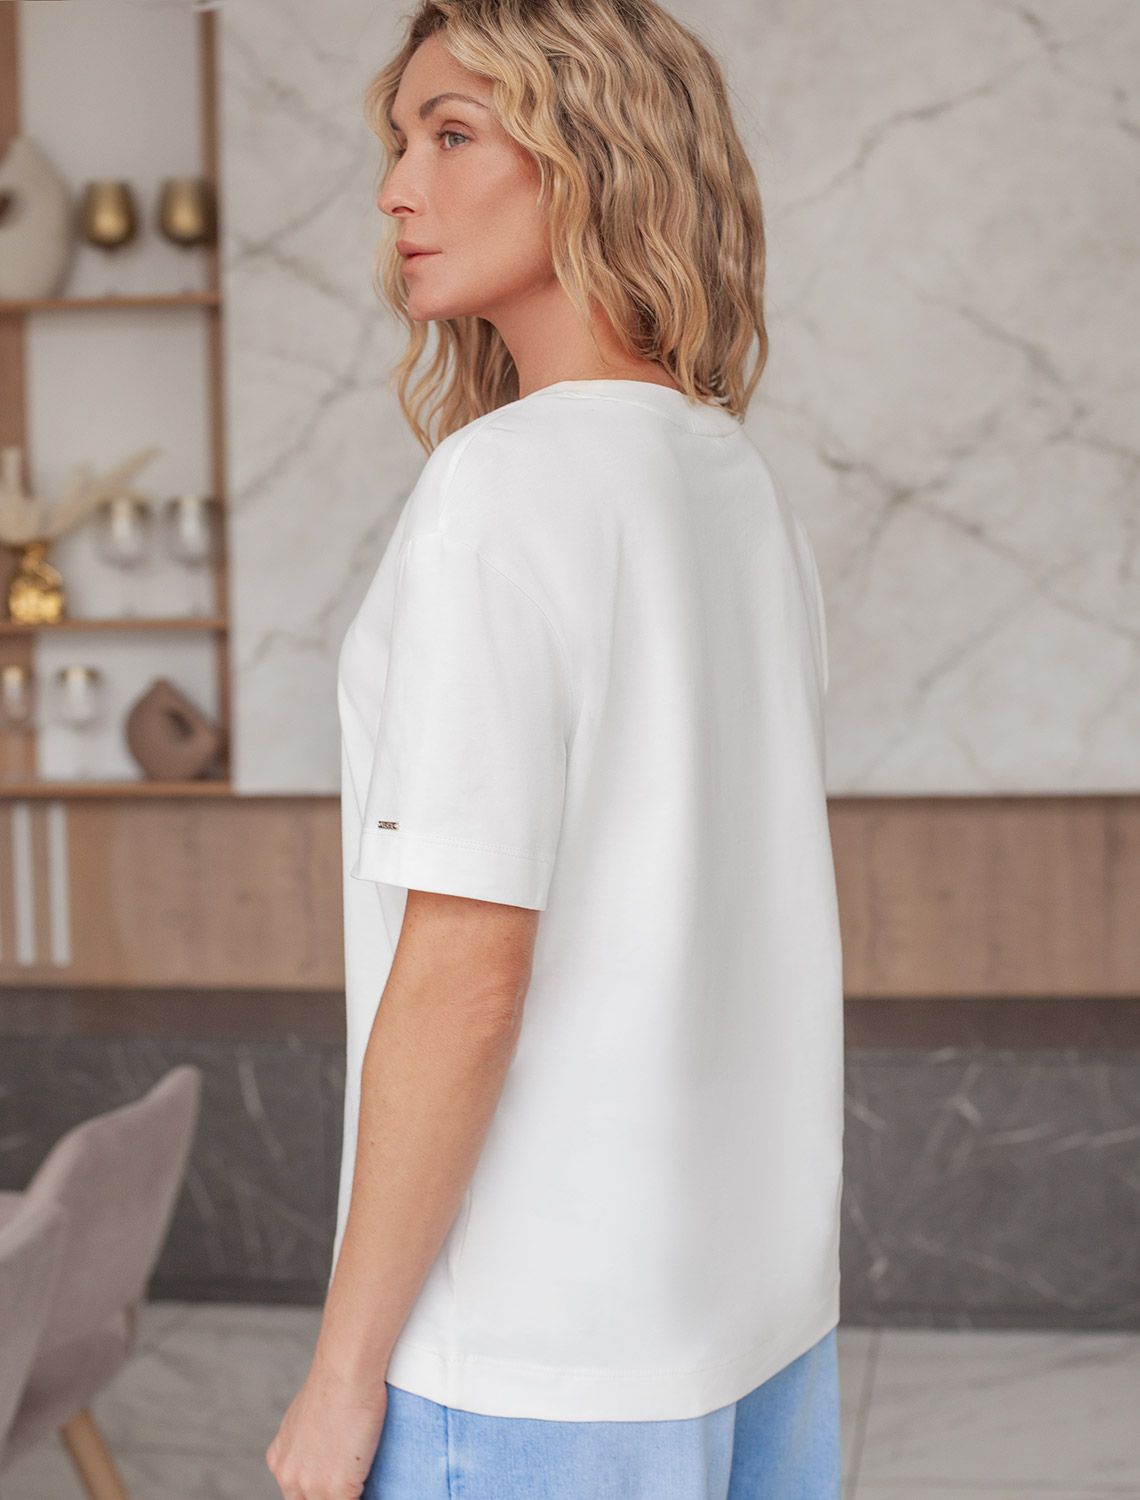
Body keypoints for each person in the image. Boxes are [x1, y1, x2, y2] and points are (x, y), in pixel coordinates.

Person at [266, 0, 844, 1495]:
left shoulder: (502, 490)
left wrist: (341, 1377)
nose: (396, 189)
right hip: (753, 1329)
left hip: (532, 1362)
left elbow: (468, 971)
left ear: (593, 156)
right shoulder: (737, 486)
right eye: (400, 140)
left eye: (453, 135)